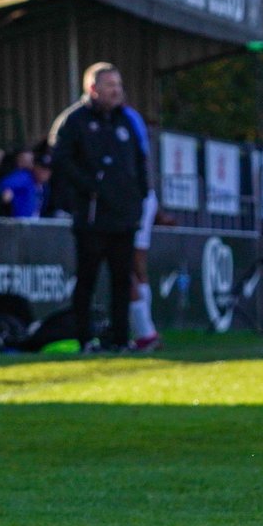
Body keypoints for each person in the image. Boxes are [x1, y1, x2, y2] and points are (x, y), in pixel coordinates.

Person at [48, 63, 147, 353]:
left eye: (119, 84)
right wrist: (90, 188)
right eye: (110, 85)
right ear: (93, 88)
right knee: (87, 281)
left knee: (121, 280)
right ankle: (84, 339)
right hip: (91, 219)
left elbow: (139, 163)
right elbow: (61, 161)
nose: (117, 90)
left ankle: (119, 339)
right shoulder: (74, 121)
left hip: (124, 219)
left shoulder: (125, 121)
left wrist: (138, 198)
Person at [122, 100, 162, 352]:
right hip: (144, 197)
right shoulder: (130, 116)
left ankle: (145, 332)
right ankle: (146, 331)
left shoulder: (124, 118)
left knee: (125, 263)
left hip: (133, 199)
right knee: (137, 264)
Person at [0, 147, 46, 218]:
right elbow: (2, 188)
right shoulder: (18, 176)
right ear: (18, 160)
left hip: (34, 219)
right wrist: (4, 192)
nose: (28, 163)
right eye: (24, 160)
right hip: (20, 221)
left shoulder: (35, 177)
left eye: (30, 160)